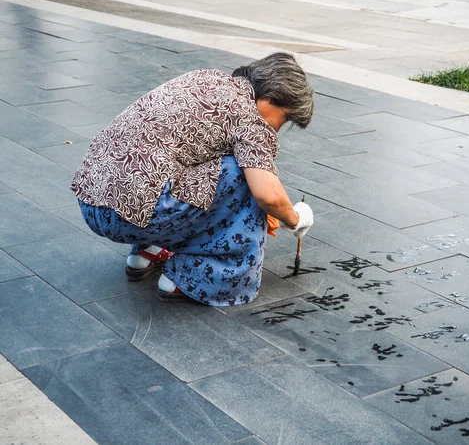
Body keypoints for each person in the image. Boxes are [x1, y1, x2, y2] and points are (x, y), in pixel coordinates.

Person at [70, 52, 314, 306]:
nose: (277, 129)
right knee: (242, 177)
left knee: (178, 164)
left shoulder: (207, 78)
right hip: (132, 215)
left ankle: (147, 251)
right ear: (271, 98)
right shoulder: (250, 118)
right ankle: (193, 278)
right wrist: (295, 219)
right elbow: (268, 195)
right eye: (284, 119)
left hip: (93, 198)